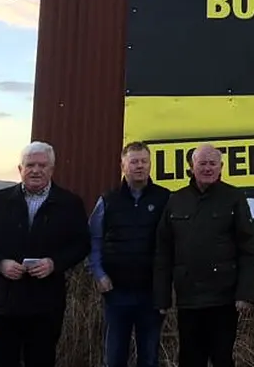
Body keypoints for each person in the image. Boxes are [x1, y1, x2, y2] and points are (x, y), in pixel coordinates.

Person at [0, 141, 90, 367]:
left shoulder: (69, 203)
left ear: (52, 169)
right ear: (20, 169)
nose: (36, 170)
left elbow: (81, 244)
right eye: (30, 165)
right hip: (3, 303)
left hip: (46, 304)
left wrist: (54, 263)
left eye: (42, 165)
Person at [154, 143, 254, 367]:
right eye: (202, 163)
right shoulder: (176, 200)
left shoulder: (234, 198)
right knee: (190, 360)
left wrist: (245, 293)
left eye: (213, 163)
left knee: (222, 358)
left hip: (223, 299)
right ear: (192, 167)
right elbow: (163, 252)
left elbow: (248, 250)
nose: (208, 168)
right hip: (188, 299)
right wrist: (162, 297)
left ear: (221, 167)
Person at [87, 141, 170, 367]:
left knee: (149, 357)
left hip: (151, 293)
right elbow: (93, 240)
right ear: (123, 165)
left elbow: (173, 243)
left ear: (150, 165)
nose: (139, 166)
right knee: (114, 357)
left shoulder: (165, 199)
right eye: (134, 162)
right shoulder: (107, 200)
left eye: (144, 161)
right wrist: (99, 274)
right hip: (116, 292)